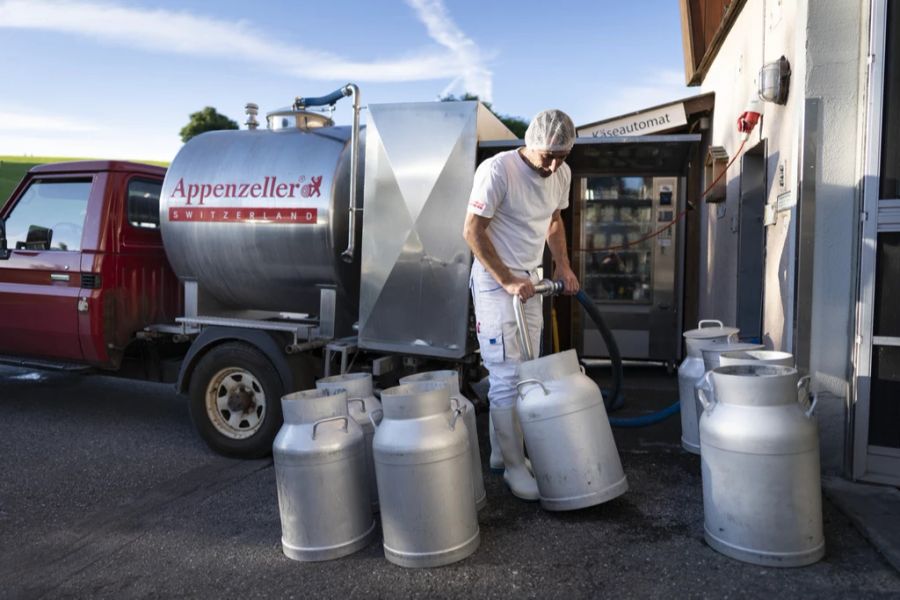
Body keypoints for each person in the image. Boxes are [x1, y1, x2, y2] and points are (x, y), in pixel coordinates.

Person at [463, 109, 579, 500]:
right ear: (529, 144)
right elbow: (472, 231)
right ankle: (514, 468)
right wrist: (507, 280)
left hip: (531, 283)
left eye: (562, 154)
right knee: (506, 376)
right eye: (548, 154)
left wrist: (562, 265)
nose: (554, 163)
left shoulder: (560, 173)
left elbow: (554, 221)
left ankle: (502, 452)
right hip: (497, 284)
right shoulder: (498, 171)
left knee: (528, 371)